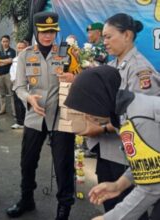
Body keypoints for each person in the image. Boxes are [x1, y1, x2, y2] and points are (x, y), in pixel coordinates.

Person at [84, 13, 160, 216]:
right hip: (107, 152)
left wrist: (99, 127)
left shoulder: (140, 71)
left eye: (109, 37)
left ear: (127, 35)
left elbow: (140, 126)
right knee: (111, 203)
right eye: (104, 37)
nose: (104, 41)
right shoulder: (113, 66)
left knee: (131, 210)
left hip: (128, 158)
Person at [64, 65, 160, 220]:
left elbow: (152, 187)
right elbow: (146, 164)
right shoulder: (125, 112)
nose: (86, 118)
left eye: (86, 108)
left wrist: (109, 218)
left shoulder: (135, 120)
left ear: (100, 99)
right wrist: (119, 185)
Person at [6, 12, 76, 220]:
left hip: (61, 117)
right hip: (35, 117)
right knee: (27, 163)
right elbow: (18, 86)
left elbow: (80, 77)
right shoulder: (25, 55)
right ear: (36, 31)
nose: (48, 36)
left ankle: (64, 209)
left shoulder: (65, 51)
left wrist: (74, 76)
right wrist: (28, 97)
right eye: (44, 31)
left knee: (63, 166)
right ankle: (26, 199)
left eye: (52, 31)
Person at [9, 40, 28, 129]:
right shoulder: (15, 59)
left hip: (26, 85)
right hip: (16, 84)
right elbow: (12, 70)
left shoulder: (30, 59)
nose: (20, 49)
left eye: (22, 47)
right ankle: (19, 122)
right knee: (17, 103)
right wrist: (13, 79)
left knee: (26, 104)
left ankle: (28, 122)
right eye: (18, 47)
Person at [0, 35, 16, 115]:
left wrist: (0, 61)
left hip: (8, 74)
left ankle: (14, 111)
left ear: (9, 41)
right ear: (1, 42)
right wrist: (4, 61)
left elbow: (10, 61)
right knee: (2, 94)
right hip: (0, 75)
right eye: (3, 41)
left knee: (11, 93)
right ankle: (3, 109)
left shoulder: (12, 51)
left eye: (6, 41)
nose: (5, 43)